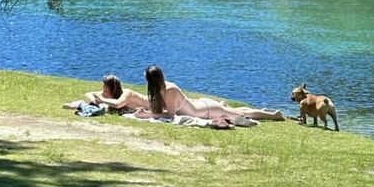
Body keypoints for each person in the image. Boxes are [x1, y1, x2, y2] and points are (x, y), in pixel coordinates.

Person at [143, 65, 284, 122]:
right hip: (202, 106)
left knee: (242, 115)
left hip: (208, 111)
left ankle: (274, 115)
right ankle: (263, 111)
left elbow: (171, 115)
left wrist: (147, 115)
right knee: (236, 111)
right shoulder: (162, 89)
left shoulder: (170, 90)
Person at [84, 74, 152, 112]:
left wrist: (101, 100)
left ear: (113, 89)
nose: (104, 93)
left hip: (154, 103)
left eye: (106, 90)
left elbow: (117, 104)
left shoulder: (127, 93)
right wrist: (94, 101)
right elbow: (88, 94)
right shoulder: (110, 94)